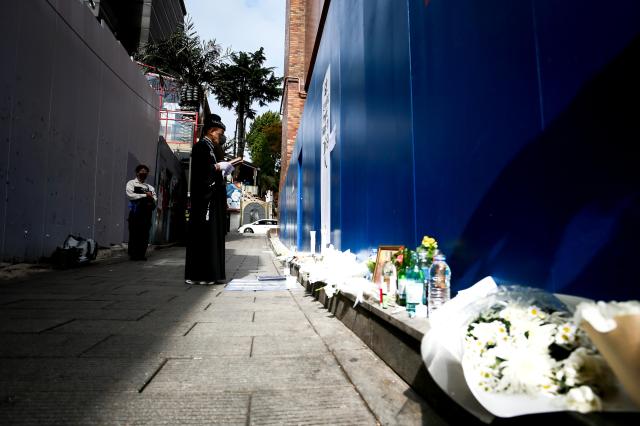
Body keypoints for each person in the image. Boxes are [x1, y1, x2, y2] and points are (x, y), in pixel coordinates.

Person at [185, 114, 234, 284]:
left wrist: (221, 169)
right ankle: (200, 274)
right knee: (204, 236)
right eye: (219, 134)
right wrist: (218, 166)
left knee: (212, 235)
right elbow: (202, 171)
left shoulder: (211, 149)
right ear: (211, 131)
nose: (220, 137)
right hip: (205, 201)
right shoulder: (201, 147)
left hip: (213, 199)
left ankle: (211, 274)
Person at [126, 164, 157, 260]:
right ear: (137, 172)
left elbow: (155, 199)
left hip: (146, 214)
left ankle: (141, 254)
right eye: (141, 171)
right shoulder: (131, 183)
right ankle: (133, 254)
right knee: (134, 234)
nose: (143, 173)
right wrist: (145, 195)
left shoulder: (150, 187)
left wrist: (150, 197)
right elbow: (130, 195)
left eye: (145, 172)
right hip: (135, 213)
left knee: (144, 235)